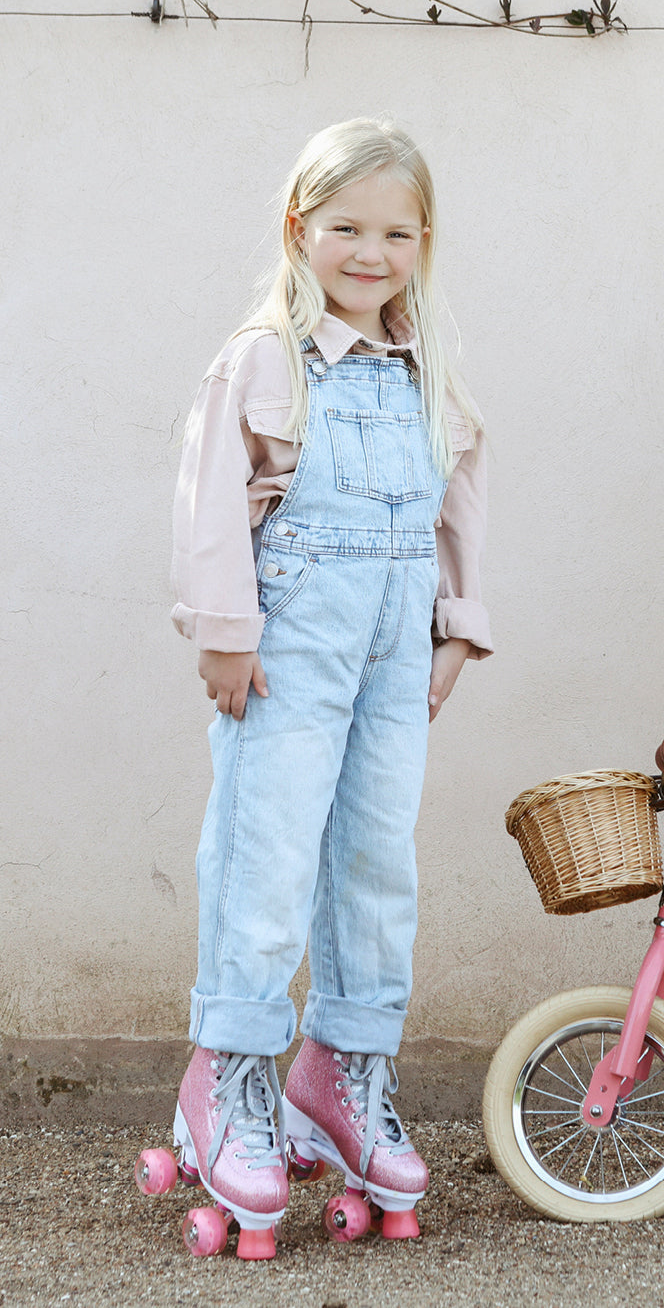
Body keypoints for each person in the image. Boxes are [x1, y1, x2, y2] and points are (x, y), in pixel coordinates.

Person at [169, 118, 490, 1252]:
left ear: (423, 240)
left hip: (395, 651)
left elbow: (458, 504)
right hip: (290, 645)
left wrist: (458, 628)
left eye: (396, 233)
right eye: (346, 227)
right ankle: (229, 1076)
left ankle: (341, 1067)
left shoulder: (427, 368)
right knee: (265, 853)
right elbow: (212, 497)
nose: (370, 252)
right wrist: (223, 631)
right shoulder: (263, 358)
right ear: (299, 228)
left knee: (376, 858)